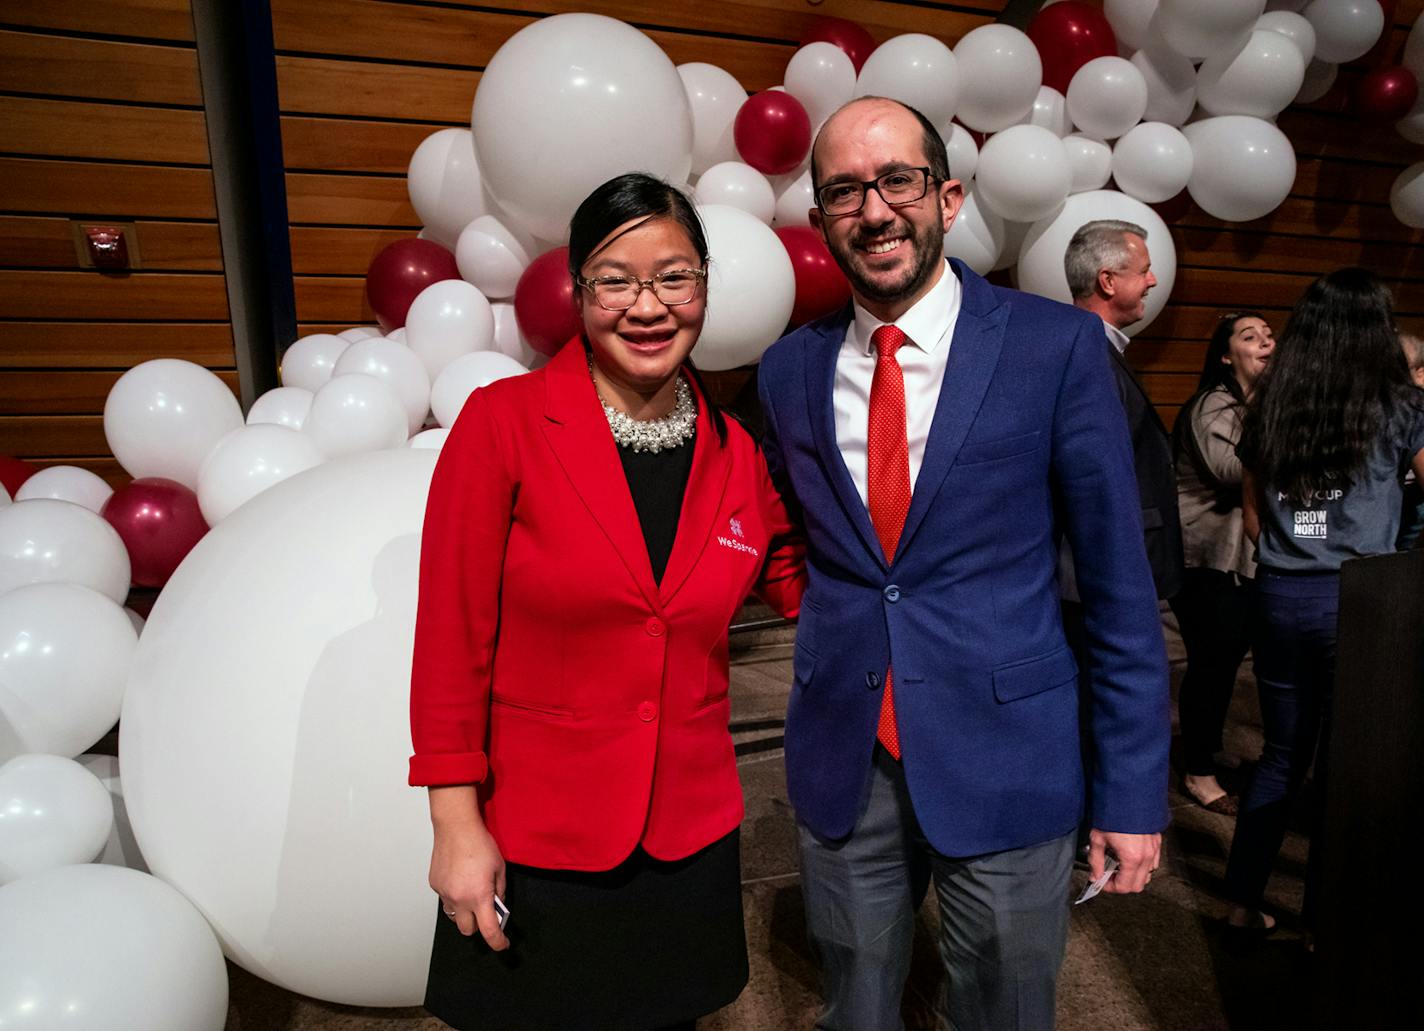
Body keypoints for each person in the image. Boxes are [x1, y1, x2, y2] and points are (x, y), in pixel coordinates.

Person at [757, 96, 1170, 1031]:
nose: (873, 209)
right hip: (846, 749)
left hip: (1010, 751)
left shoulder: (1053, 348)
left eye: (896, 180)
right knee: (856, 1003)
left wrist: (1134, 787)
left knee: (1005, 1005)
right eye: (844, 191)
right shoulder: (788, 371)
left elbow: (1117, 587)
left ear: (945, 197)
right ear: (821, 220)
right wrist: (816, 616)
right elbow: (794, 529)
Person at [408, 172, 805, 1030]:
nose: (648, 305)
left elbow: (804, 585)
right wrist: (455, 823)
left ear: (703, 284)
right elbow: (450, 638)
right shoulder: (503, 423)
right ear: (579, 291)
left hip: (685, 838)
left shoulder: (739, 454)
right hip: (538, 833)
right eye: (615, 280)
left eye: (674, 276)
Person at [1222, 268, 1424, 939]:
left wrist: (1302, 534)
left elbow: (1253, 520)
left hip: (1279, 593)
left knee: (1282, 753)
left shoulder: (1272, 403)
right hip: (1364, 601)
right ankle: (1323, 924)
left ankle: (1241, 900)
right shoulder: (1400, 405)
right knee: (1346, 765)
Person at [1171, 313, 1276, 814]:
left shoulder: (1264, 408)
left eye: (1269, 334)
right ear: (1226, 355)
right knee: (1211, 666)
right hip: (1205, 561)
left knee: (1229, 664)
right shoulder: (1214, 406)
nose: (1266, 341)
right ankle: (1197, 772)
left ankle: (1205, 752)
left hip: (1244, 561)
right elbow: (1229, 470)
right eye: (1249, 336)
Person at [1064, 219, 1184, 602]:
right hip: (1111, 576)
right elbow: (1098, 473)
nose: (1152, 281)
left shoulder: (1096, 350)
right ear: (1108, 281)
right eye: (1144, 270)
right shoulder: (1088, 357)